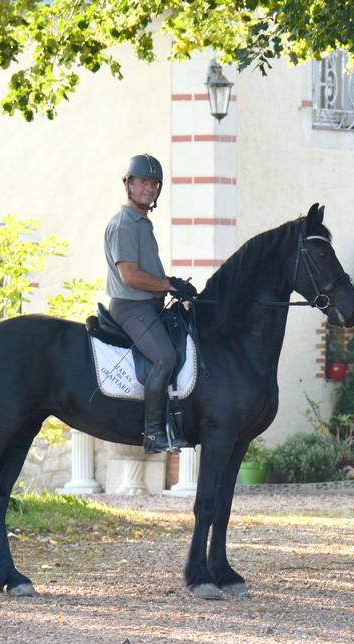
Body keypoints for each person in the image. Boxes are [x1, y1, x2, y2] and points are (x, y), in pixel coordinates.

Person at [104, 154, 198, 454]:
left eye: (154, 183)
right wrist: (169, 284)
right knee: (165, 358)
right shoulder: (125, 225)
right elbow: (130, 275)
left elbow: (148, 272)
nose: (149, 188)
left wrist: (173, 284)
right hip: (131, 308)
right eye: (143, 181)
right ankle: (154, 433)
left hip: (149, 306)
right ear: (129, 185)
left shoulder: (142, 223)